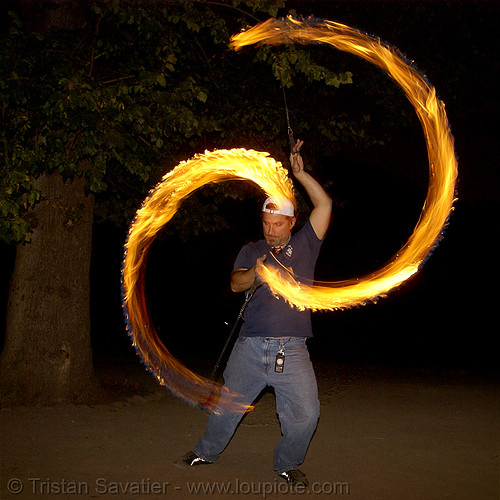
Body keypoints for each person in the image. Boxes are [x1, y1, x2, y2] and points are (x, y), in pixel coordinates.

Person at [182, 140, 332, 487]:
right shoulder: (253, 250)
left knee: (307, 414)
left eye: (278, 224)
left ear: (293, 222)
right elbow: (236, 284)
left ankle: (287, 463)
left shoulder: (307, 244)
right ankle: (206, 451)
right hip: (249, 347)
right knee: (226, 407)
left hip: (291, 350)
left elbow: (323, 204)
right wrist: (258, 273)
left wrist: (300, 173)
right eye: (266, 223)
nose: (270, 229)